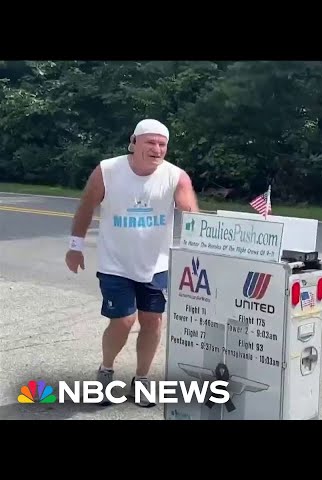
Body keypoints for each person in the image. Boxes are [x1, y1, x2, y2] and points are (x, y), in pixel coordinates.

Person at [65, 118, 199, 407]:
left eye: (162, 144)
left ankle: (141, 380)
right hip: (115, 263)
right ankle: (106, 370)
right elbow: (86, 206)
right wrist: (75, 247)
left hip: (156, 265)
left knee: (152, 322)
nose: (157, 148)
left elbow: (193, 217)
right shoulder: (108, 170)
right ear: (134, 141)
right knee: (124, 321)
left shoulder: (176, 176)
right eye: (150, 142)